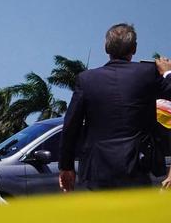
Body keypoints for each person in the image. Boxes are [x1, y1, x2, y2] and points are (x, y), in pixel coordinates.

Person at [59, 24, 171, 192]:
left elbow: (70, 126)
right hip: (136, 165)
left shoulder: (86, 79)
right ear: (134, 48)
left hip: (97, 168)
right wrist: (167, 73)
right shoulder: (147, 73)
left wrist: (66, 166)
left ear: (106, 48)